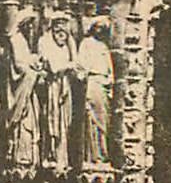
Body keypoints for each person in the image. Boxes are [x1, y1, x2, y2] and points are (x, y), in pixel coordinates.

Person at [4, 8, 42, 175]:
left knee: (30, 122)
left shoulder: (24, 41)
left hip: (28, 91)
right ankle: (19, 159)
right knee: (22, 123)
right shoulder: (16, 40)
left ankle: (27, 159)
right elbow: (19, 66)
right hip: (21, 90)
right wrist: (34, 72)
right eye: (29, 24)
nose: (31, 28)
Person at [38, 11, 76, 174]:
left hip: (64, 87)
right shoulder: (45, 42)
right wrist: (68, 65)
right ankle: (50, 156)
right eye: (58, 31)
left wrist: (72, 51)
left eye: (64, 32)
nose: (61, 35)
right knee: (51, 122)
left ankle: (62, 158)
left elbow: (75, 64)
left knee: (63, 124)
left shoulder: (66, 46)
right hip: (52, 88)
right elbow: (52, 66)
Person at [77, 17, 114, 169]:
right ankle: (94, 155)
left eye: (103, 28)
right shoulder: (86, 43)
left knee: (103, 121)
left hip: (103, 84)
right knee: (92, 119)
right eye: (98, 27)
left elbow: (110, 69)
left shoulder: (104, 46)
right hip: (92, 83)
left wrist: (109, 80)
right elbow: (81, 66)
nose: (100, 30)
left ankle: (102, 153)